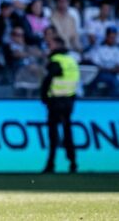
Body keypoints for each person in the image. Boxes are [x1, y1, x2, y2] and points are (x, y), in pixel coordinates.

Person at [41, 36, 80, 174]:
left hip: (56, 102)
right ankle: (73, 163)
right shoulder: (71, 60)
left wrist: (44, 97)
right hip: (69, 101)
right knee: (68, 133)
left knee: (53, 135)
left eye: (50, 44)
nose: (48, 47)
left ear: (57, 45)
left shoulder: (56, 61)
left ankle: (51, 164)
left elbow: (48, 80)